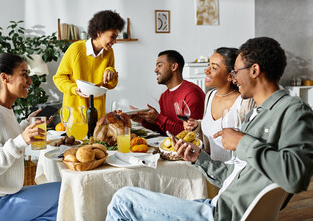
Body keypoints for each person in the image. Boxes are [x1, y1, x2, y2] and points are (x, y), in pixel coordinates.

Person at [106, 37, 313, 220]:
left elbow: (296, 177)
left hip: (222, 214)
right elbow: (236, 175)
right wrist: (199, 158)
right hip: (216, 205)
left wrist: (242, 142)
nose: (234, 77)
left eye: (236, 71)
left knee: (123, 200)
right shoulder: (256, 114)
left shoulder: (293, 110)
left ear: (255, 71)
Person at [0, 53, 61, 221]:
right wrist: (21, 140)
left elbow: (4, 139)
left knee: (65, 194)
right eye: (24, 74)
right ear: (5, 78)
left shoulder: (4, 110)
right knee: (67, 193)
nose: (30, 81)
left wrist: (25, 125)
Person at [183, 47, 255, 162]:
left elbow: (250, 142)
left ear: (230, 76)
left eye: (214, 68)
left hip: (235, 174)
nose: (206, 71)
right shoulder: (210, 96)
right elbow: (211, 134)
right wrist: (196, 126)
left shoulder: (244, 102)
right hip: (212, 170)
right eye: (208, 65)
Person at [53, 10, 125, 120]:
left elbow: (111, 85)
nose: (115, 41)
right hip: (74, 115)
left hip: (97, 114)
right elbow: (59, 78)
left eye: (116, 37)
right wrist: (73, 89)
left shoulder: (109, 52)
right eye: (112, 36)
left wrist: (111, 73)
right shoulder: (75, 49)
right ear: (99, 32)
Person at [130, 50, 205, 136]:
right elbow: (166, 130)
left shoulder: (192, 93)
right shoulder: (164, 96)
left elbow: (190, 133)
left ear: (174, 67)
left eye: (159, 65)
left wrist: (158, 118)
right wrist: (144, 120)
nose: (155, 70)